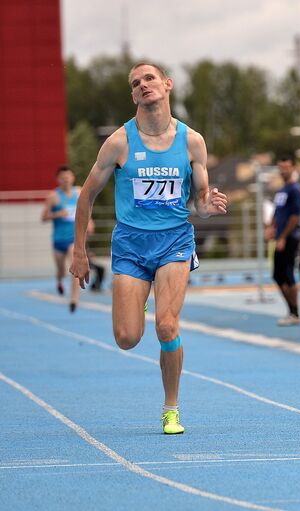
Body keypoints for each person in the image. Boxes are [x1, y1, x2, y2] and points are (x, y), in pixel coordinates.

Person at [69, 62, 228, 435]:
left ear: (167, 84)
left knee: (167, 325)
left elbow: (199, 202)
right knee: (127, 338)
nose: (143, 85)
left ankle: (171, 408)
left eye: (150, 78)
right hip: (131, 244)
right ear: (133, 95)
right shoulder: (120, 142)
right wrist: (80, 251)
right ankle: (137, 297)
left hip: (174, 239)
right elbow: (86, 196)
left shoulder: (192, 141)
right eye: (136, 83)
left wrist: (208, 205)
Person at [267, 155, 300, 325]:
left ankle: (295, 312)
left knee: (288, 274)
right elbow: (277, 212)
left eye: (286, 167)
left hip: (290, 238)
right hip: (280, 237)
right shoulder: (281, 191)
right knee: (277, 275)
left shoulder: (295, 190)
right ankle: (291, 310)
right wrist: (271, 227)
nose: (283, 170)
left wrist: (283, 237)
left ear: (293, 168)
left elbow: (295, 217)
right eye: (281, 167)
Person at [41, 165, 80, 312]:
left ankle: (74, 300)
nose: (66, 180)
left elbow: (86, 209)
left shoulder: (79, 192)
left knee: (75, 267)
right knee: (61, 270)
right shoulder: (53, 197)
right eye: (63, 178)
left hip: (73, 239)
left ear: (72, 178)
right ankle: (59, 281)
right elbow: (43, 217)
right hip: (58, 240)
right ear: (58, 180)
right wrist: (58, 214)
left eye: (68, 177)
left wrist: (89, 222)